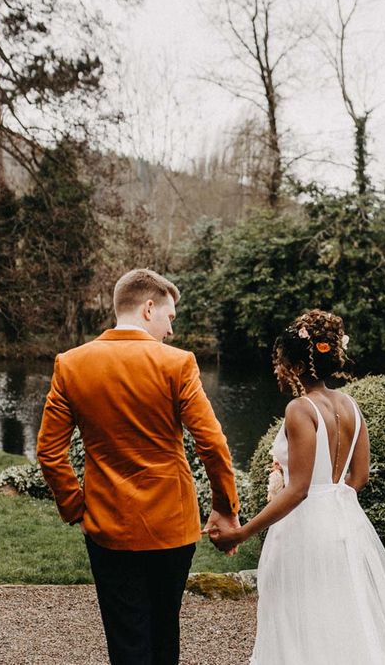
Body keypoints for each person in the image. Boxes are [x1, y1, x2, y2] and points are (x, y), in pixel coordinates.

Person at [37, 268, 240, 665]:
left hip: (108, 524)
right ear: (149, 308)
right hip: (172, 525)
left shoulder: (71, 364)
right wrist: (224, 507)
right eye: (169, 318)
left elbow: (49, 451)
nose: (171, 331)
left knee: (126, 635)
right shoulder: (177, 364)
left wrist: (75, 507)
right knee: (165, 629)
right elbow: (212, 444)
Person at [209, 309, 385, 664]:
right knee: (339, 617)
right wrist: (330, 492)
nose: (279, 370)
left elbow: (298, 490)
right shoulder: (352, 407)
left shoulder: (301, 409)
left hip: (303, 532)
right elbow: (358, 478)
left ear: (297, 366)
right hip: (344, 525)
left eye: (282, 363)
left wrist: (242, 533)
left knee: (298, 621)